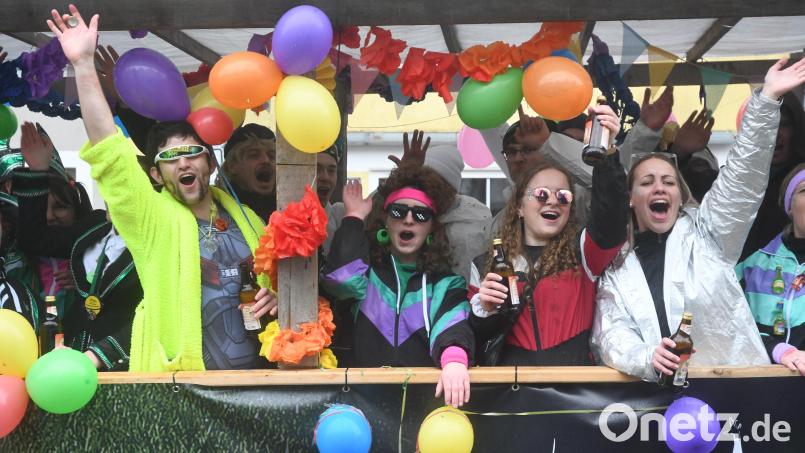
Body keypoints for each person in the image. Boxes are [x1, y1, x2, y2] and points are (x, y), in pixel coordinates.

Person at [48, 6, 275, 371]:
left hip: (256, 383)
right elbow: (111, 154)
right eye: (171, 158)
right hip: (180, 387)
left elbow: (285, 284)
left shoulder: (249, 221)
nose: (183, 163)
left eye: (191, 153)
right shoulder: (151, 220)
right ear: (156, 175)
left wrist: (277, 296)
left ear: (210, 163)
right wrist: (83, 65)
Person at [591, 58, 805, 381]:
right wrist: (647, 357)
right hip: (652, 407)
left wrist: (767, 100)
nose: (659, 187)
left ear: (680, 194)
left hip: (735, 398)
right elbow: (611, 334)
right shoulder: (617, 268)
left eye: (668, 181)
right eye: (647, 182)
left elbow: (742, 178)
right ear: (631, 199)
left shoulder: (709, 235)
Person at [469, 106, 626, 365]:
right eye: (541, 194)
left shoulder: (584, 254)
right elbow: (472, 340)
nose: (552, 202)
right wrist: (484, 311)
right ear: (519, 205)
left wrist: (607, 153)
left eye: (563, 196)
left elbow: (612, 215)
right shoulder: (485, 264)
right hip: (510, 394)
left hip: (572, 393)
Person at [320, 165, 474, 407]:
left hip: (422, 407)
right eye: (399, 211)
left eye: (421, 214)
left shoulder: (446, 284)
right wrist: (353, 219)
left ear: (431, 227)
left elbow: (452, 327)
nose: (409, 220)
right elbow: (341, 280)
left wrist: (454, 361)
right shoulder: (366, 277)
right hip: (362, 406)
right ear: (386, 222)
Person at [14, 121, 142, 371]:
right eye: (109, 184)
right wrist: (38, 170)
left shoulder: (161, 237)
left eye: (125, 184)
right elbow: (34, 239)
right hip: (74, 353)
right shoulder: (94, 227)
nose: (116, 193)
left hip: (125, 361)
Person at [737, 163, 805, 377]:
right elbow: (731, 329)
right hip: (767, 396)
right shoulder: (752, 267)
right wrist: (778, 350)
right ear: (789, 206)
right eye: (804, 191)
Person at [740, 92, 805, 260]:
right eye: (766, 125)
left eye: (782, 125)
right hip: (743, 279)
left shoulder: (801, 178)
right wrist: (681, 153)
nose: (774, 134)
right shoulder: (737, 179)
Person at [220, 123, 277, 221]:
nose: (266, 160)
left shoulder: (286, 206)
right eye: (254, 155)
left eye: (272, 156)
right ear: (232, 166)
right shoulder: (219, 209)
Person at [317, 143, 345, 257]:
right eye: (317, 169)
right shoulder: (284, 216)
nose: (325, 177)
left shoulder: (340, 215)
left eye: (331, 170)